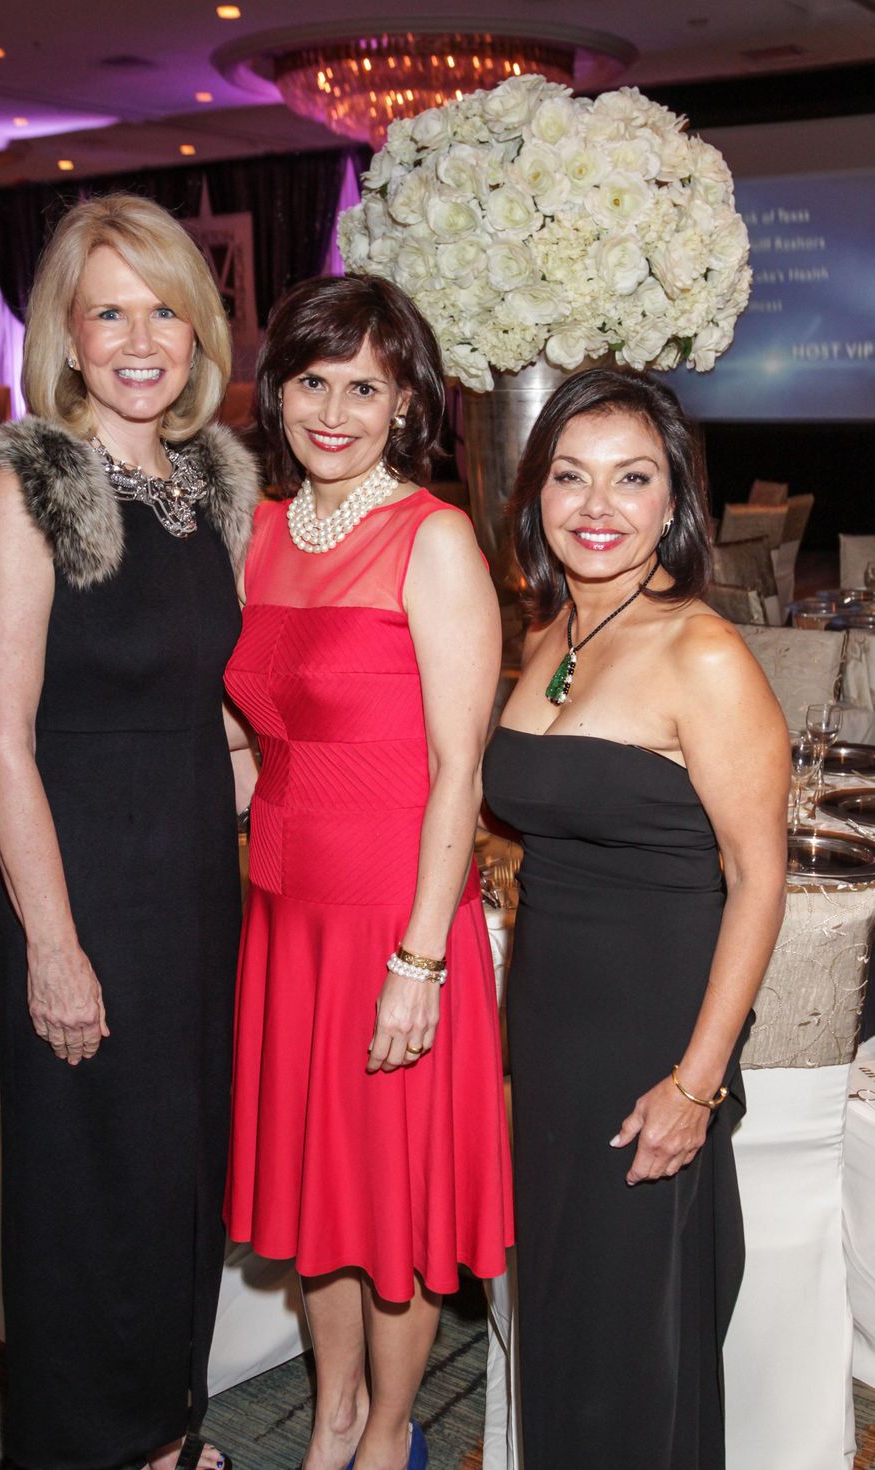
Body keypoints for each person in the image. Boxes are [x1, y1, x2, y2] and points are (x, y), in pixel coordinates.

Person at [0, 194, 259, 1470]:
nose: (142, 339)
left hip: (193, 875)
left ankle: (167, 1431)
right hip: (82, 887)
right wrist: (53, 949)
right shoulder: (32, 490)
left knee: (181, 1173)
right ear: (68, 340)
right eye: (109, 312)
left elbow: (215, 706)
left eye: (166, 309)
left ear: (198, 331)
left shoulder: (204, 485)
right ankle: (83, 1447)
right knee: (90, 1193)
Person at [224, 275, 513, 1470]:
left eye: (364, 387)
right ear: (276, 391)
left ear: (403, 404)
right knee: (317, 1201)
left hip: (395, 924)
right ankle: (332, 1411)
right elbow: (248, 734)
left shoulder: (433, 538)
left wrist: (420, 960)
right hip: (283, 916)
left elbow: (459, 770)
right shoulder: (253, 529)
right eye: (310, 382)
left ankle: (389, 1432)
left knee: (387, 1202)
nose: (332, 411)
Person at [482, 366, 789, 1469]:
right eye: (569, 477)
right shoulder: (551, 630)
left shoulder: (699, 653)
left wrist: (694, 1084)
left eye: (630, 479)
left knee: (631, 1357)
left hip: (650, 1043)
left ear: (675, 503)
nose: (595, 506)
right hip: (552, 1035)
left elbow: (758, 879)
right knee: (563, 1326)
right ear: (535, 493)